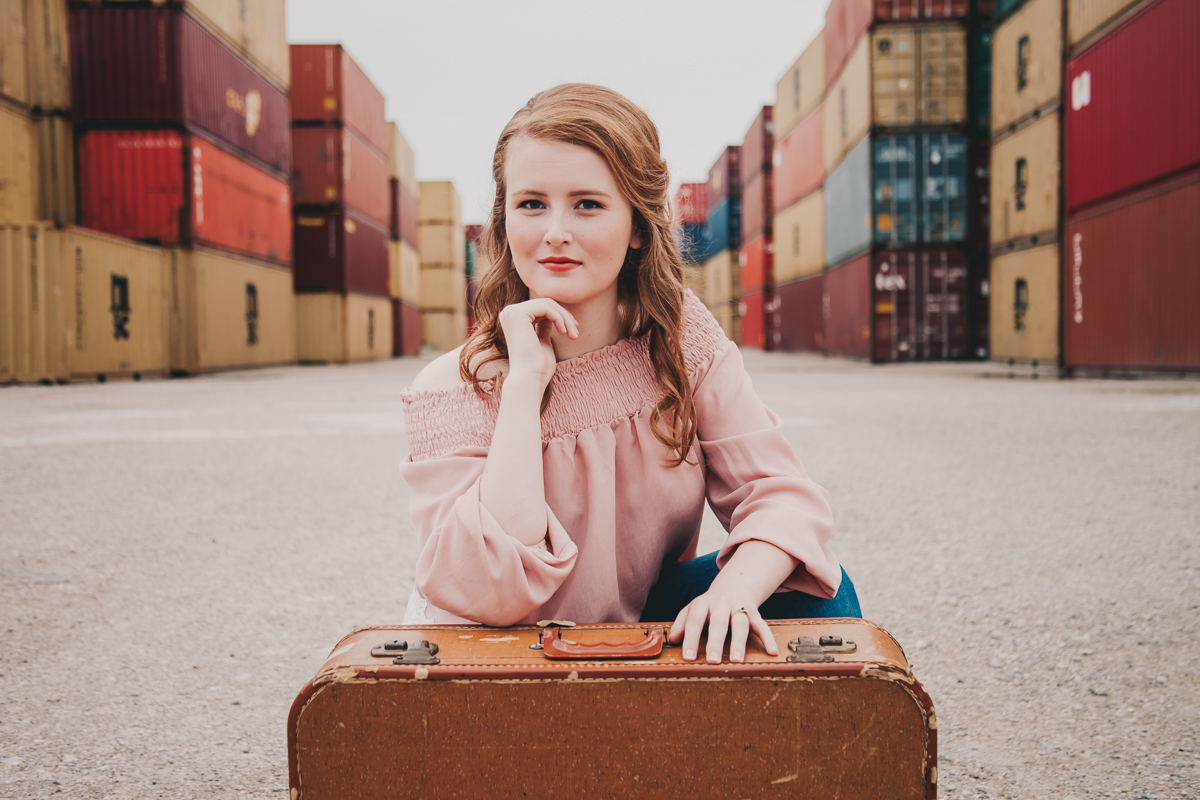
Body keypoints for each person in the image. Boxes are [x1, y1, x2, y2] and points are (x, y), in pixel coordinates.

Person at [399, 83, 860, 665]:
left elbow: (783, 498)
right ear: (505, 218)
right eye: (531, 204)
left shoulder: (679, 340)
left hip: (635, 625)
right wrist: (522, 389)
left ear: (638, 227)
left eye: (587, 204)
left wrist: (733, 595)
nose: (555, 232)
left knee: (820, 596)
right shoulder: (450, 385)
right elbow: (490, 592)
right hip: (498, 649)